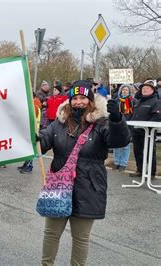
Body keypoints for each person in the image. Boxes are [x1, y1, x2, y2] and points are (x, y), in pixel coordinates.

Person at [38, 80, 130, 265]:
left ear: (90, 100)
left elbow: (119, 141)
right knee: (51, 234)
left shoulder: (102, 122)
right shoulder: (59, 122)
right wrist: (35, 137)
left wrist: (117, 120)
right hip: (60, 186)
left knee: (80, 237)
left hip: (88, 186)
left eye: (83, 98)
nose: (78, 102)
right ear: (70, 100)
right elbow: (44, 142)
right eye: (75, 98)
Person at [129, 82, 161, 177]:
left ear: (152, 90)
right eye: (143, 88)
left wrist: (146, 126)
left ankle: (151, 172)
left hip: (148, 132)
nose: (144, 89)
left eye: (147, 88)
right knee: (137, 151)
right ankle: (140, 170)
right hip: (136, 131)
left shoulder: (156, 102)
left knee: (150, 152)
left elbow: (157, 116)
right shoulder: (138, 101)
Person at [18, 92, 42, 173]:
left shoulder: (34, 106)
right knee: (28, 148)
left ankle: (29, 166)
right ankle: (26, 164)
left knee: (31, 149)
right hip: (31, 129)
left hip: (33, 130)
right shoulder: (33, 105)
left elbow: (30, 118)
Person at [113, 84, 135, 171]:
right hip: (117, 125)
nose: (124, 91)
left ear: (129, 91)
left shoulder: (133, 101)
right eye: (123, 90)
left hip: (128, 126)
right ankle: (116, 162)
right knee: (116, 145)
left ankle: (123, 163)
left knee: (126, 146)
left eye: (126, 90)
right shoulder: (116, 100)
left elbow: (134, 114)